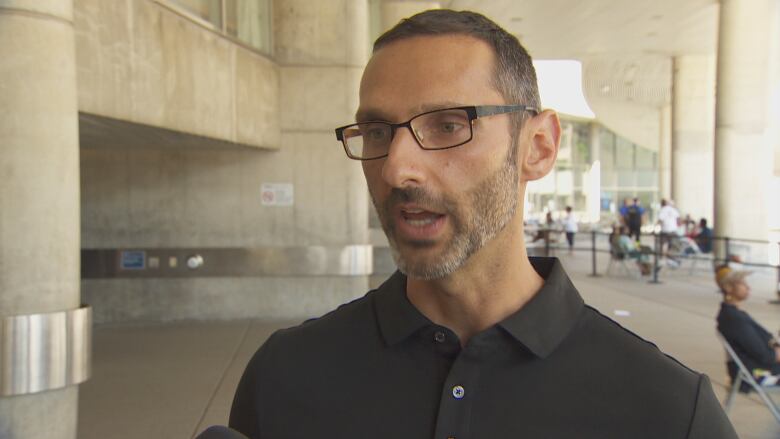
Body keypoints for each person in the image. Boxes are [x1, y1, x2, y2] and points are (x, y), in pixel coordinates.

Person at [230, 10, 736, 438]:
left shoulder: (670, 413)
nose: (396, 168)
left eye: (449, 125)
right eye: (378, 131)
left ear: (537, 148)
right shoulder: (285, 377)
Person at [716, 265, 780, 390]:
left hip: (751, 370)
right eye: (742, 283)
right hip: (753, 374)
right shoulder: (733, 318)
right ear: (729, 288)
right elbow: (765, 355)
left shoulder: (733, 314)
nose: (748, 287)